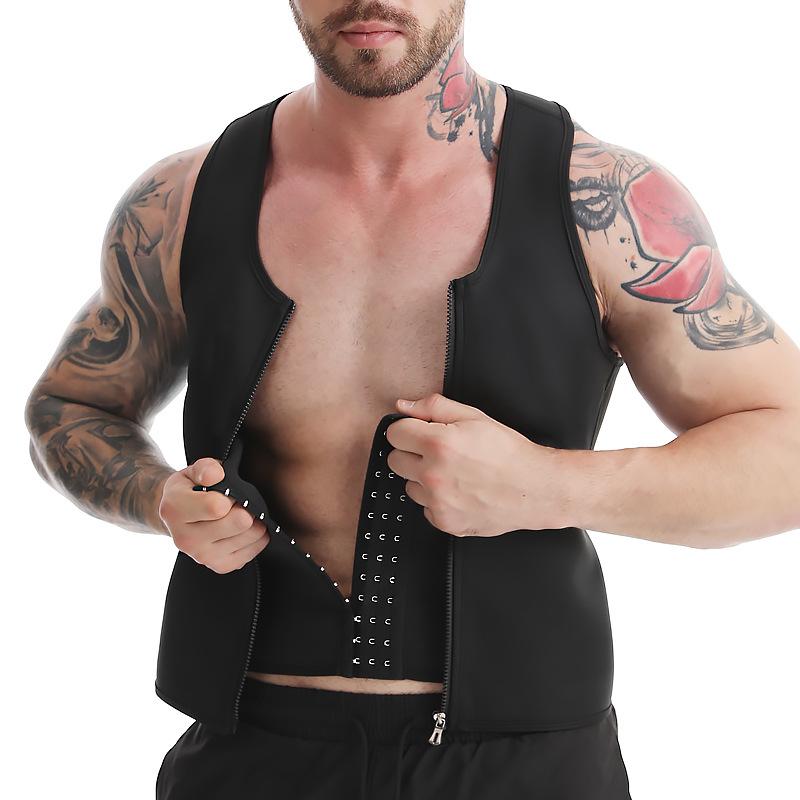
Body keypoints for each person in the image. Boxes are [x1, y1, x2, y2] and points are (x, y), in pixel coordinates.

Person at [24, 1, 800, 798]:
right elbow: (69, 408)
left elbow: (788, 452)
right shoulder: (183, 201)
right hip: (250, 751)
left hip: (522, 764)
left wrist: (547, 487)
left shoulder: (602, 202)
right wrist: (157, 498)